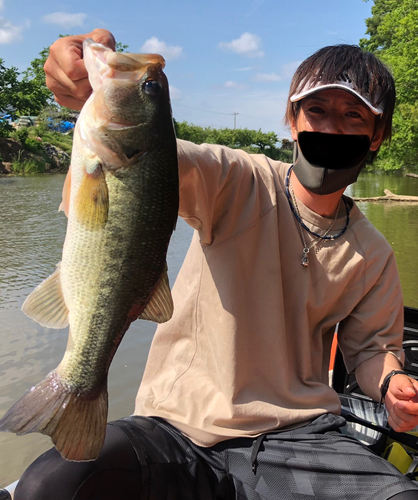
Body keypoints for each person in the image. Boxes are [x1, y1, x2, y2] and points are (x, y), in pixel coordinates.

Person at [12, 29, 418, 500]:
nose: (332, 129)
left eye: (353, 117)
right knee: (53, 484)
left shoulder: (373, 253)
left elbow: (370, 351)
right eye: (318, 111)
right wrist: (80, 82)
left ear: (378, 135)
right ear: (292, 119)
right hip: (180, 426)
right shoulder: (236, 179)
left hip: (301, 433)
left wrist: (392, 383)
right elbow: (157, 163)